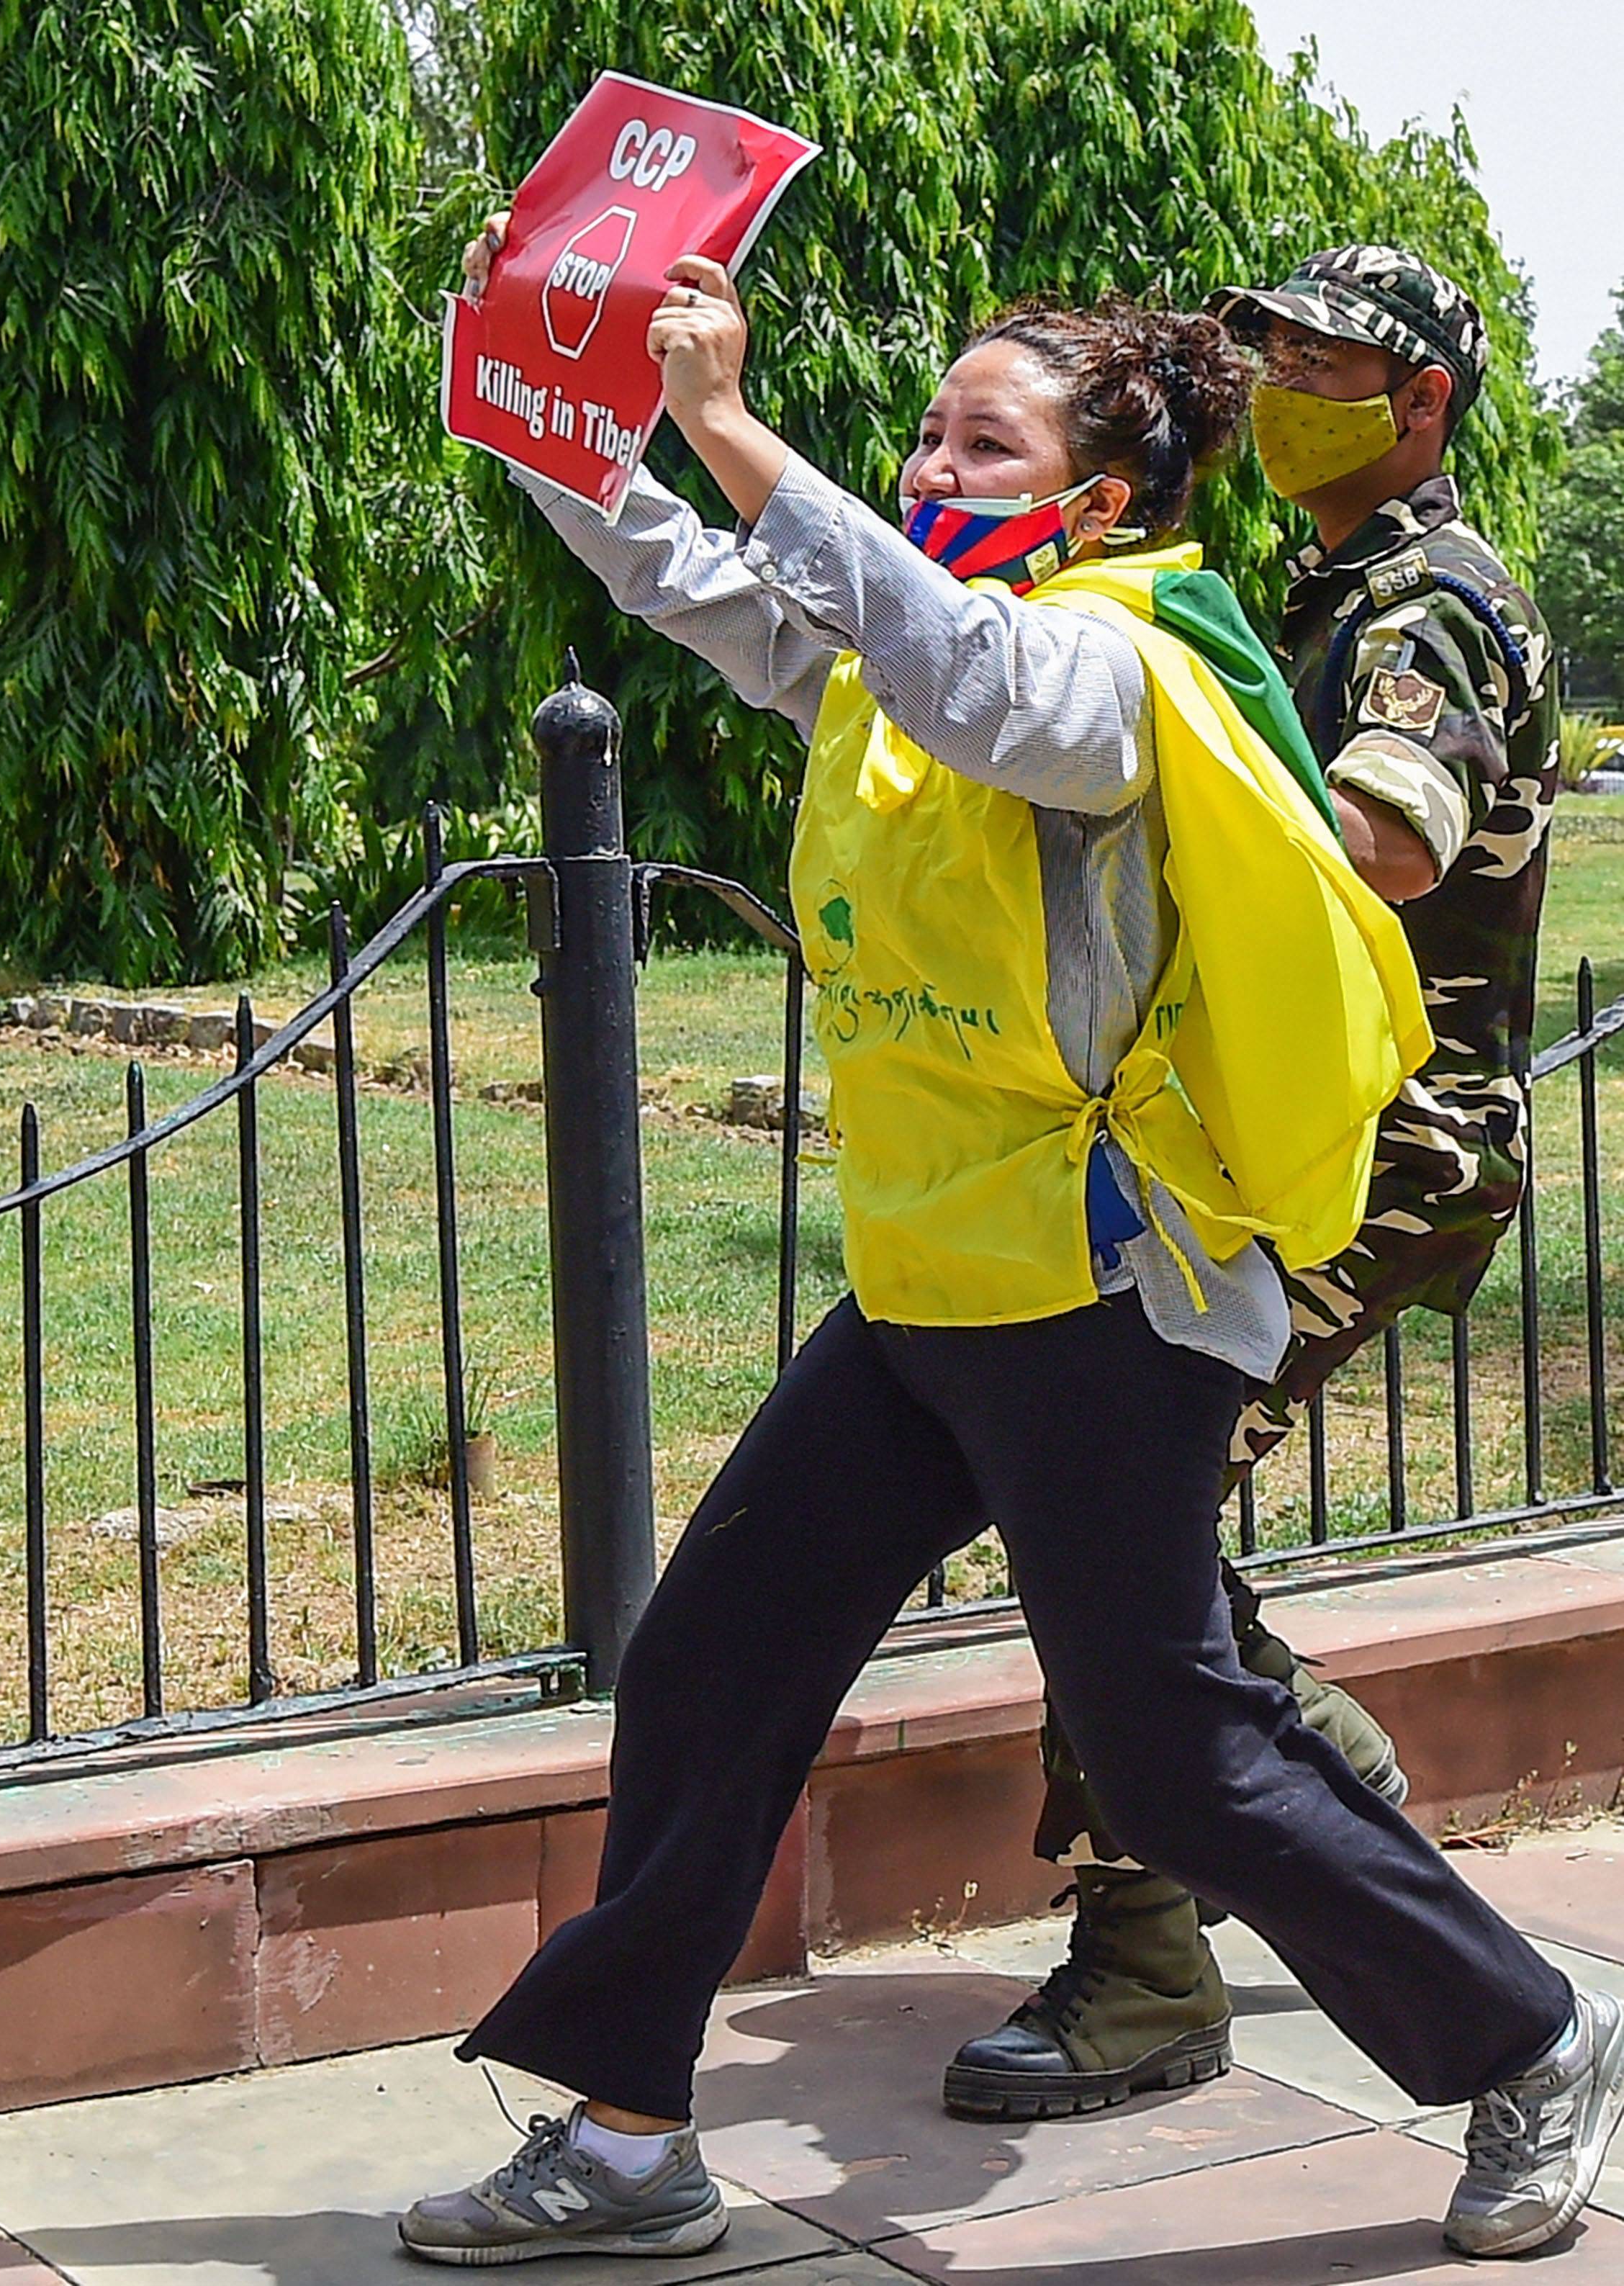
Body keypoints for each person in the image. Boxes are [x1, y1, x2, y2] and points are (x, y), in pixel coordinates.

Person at [397, 222, 1618, 2268]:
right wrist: (527, 392)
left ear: (1097, 497)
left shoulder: (1117, 660)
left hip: (1109, 1294)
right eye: (927, 436)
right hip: (930, 1282)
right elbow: (689, 577)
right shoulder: (908, 644)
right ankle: (625, 2136)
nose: (931, 464)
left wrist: (723, 418)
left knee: (1172, 1745)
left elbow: (968, 676)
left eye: (984, 439)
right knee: (707, 1668)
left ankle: (1527, 2031)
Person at [944, 244, 1560, 2123]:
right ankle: (1322, 1801)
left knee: (1113, 1501)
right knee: (1125, 1526)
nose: (1275, 376)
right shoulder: (1321, 585)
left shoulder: (1424, 600)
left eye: (1320, 358)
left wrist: (1200, 749)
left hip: (1387, 1144)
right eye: (1266, 348)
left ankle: (1149, 1967)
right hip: (1280, 1139)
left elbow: (1381, 832)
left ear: (1421, 403)